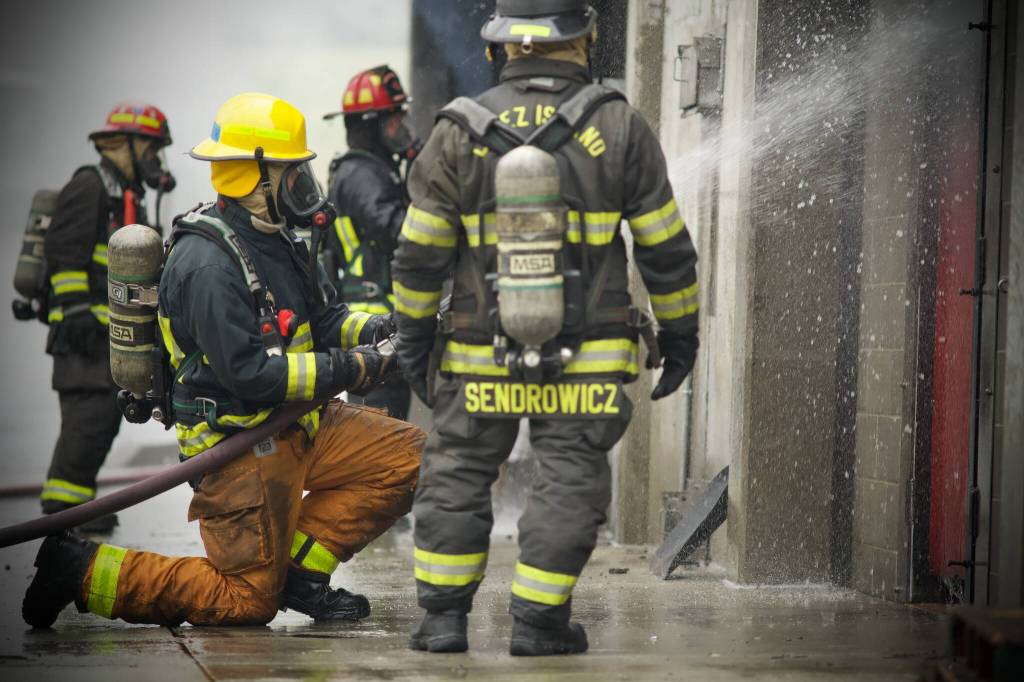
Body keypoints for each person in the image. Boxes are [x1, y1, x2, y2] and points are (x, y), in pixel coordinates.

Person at [23, 92, 424, 629]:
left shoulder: (279, 238)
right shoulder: (206, 264)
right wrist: (355, 367)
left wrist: (380, 330)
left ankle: (302, 576)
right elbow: (251, 374)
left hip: (301, 424)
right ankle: (78, 569)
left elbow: (327, 318)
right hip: (238, 445)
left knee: (409, 460)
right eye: (290, 172)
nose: (301, 184)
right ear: (254, 176)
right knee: (245, 602)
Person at [393, 0, 700, 656]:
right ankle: (537, 624)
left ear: (500, 45)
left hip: (478, 355)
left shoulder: (457, 129)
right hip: (586, 358)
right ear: (585, 37)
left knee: (458, 470)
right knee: (570, 473)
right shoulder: (618, 127)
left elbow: (418, 255)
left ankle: (442, 621)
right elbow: (664, 249)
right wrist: (680, 335)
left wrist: (415, 336)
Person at [41, 103, 175, 533]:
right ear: (127, 144)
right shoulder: (91, 185)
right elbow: (62, 248)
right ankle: (63, 521)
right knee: (86, 427)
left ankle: (78, 513)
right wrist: (76, 309)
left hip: (107, 336)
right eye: (152, 148)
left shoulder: (125, 193)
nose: (156, 158)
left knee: (99, 426)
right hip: (82, 337)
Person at [322, 66, 421, 420]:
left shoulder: (372, 169)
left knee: (392, 434)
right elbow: (396, 229)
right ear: (371, 124)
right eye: (395, 120)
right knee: (383, 436)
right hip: (374, 329)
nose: (403, 128)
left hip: (383, 324)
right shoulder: (361, 175)